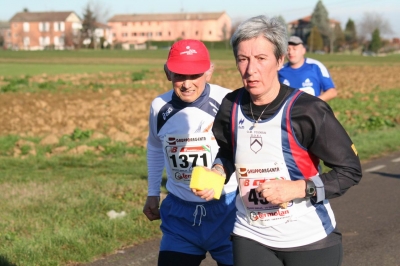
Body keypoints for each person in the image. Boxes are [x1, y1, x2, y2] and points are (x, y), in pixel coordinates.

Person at [193, 16, 362, 266]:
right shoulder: (230, 105)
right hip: (250, 235)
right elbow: (228, 152)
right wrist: (219, 170)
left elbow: (350, 170)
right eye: (243, 59)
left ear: (280, 60)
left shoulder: (308, 110)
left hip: (309, 238)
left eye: (261, 59)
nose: (251, 70)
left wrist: (297, 188)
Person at [143, 39, 238, 266]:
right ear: (167, 72)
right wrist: (153, 192)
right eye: (179, 75)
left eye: (194, 75)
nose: (186, 84)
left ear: (209, 72)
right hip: (180, 216)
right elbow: (156, 147)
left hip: (228, 211)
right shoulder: (159, 106)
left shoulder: (229, 101)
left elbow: (243, 149)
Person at [278, 35, 337, 102]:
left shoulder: (316, 66)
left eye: (294, 49)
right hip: (289, 112)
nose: (291, 52)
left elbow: (332, 92)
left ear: (303, 50)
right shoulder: (279, 70)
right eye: (288, 49)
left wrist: (314, 103)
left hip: (312, 111)